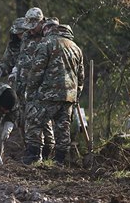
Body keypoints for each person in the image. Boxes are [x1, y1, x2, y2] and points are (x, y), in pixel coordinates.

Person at [23, 21, 84, 165]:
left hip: (47, 95)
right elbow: (80, 77)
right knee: (63, 128)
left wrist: (30, 93)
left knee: (35, 123)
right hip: (69, 96)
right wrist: (76, 96)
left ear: (48, 30)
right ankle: (60, 161)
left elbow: (37, 71)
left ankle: (34, 157)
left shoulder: (46, 44)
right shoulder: (76, 48)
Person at [16, 7, 55, 159]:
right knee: (27, 119)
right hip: (25, 85)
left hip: (42, 86)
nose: (31, 31)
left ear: (41, 22)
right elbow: (22, 57)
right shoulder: (26, 36)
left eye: (34, 27)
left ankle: (44, 153)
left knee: (42, 121)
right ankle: (31, 151)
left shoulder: (49, 37)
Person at [0, 17, 27, 82]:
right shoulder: (13, 46)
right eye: (18, 34)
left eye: (22, 33)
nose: (20, 36)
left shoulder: (37, 42)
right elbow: (7, 63)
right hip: (19, 84)